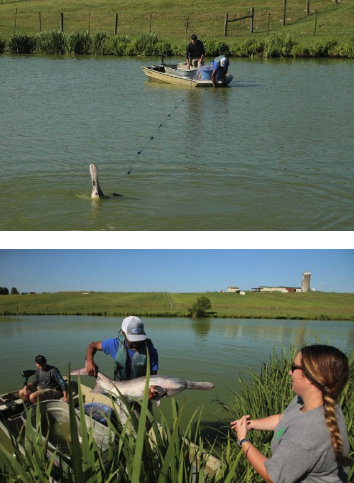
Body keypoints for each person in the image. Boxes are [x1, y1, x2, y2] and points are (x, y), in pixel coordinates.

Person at [230, 344, 351, 483]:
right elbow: (283, 419)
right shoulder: (313, 401)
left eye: (294, 368)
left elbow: (273, 477)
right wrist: (250, 424)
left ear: (311, 377)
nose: (289, 372)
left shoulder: (309, 432)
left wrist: (243, 441)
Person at [86, 315, 159, 401]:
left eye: (138, 338)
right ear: (123, 333)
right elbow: (93, 345)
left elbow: (154, 377)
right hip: (120, 392)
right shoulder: (115, 345)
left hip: (141, 394)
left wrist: (152, 392)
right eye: (132, 338)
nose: (136, 342)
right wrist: (89, 362)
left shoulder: (151, 351)